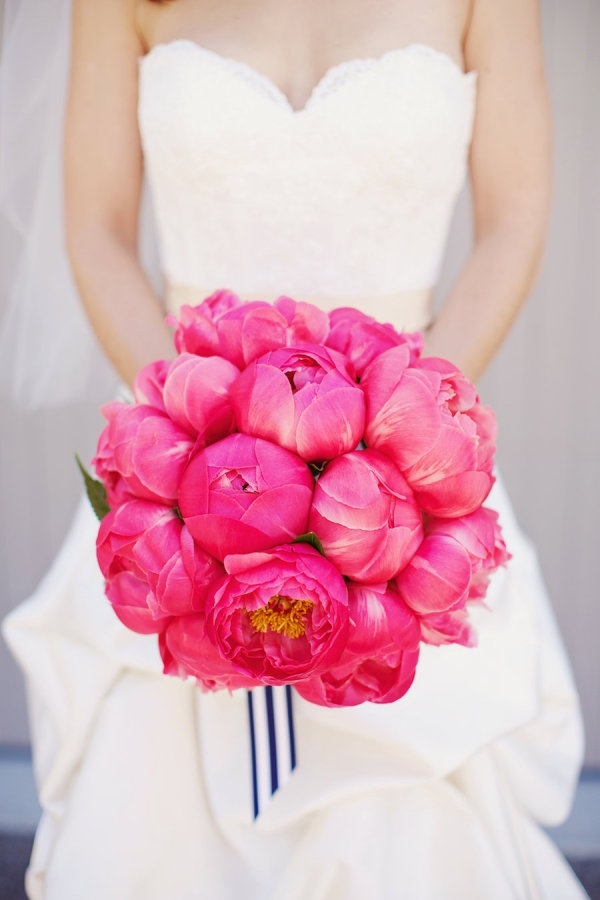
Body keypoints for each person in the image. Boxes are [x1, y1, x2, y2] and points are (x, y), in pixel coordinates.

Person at [1, 0, 587, 897]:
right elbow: (99, 230)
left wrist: (401, 443)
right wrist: (203, 451)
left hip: (406, 474)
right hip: (191, 466)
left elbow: (512, 222)